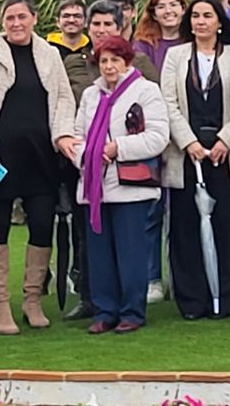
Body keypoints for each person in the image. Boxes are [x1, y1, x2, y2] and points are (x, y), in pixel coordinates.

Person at [0, 0, 79, 336]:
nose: (15, 23)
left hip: (40, 156)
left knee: (42, 224)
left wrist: (64, 136)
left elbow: (62, 101)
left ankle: (32, 300)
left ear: (34, 19)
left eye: (21, 17)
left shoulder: (49, 54)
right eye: (9, 17)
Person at [72, 36, 170, 334]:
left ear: (127, 61)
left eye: (115, 60)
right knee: (100, 254)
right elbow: (77, 135)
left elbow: (157, 137)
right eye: (104, 61)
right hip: (95, 185)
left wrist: (117, 148)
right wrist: (87, 155)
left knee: (131, 253)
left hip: (130, 185)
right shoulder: (91, 95)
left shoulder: (146, 91)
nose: (109, 66)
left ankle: (132, 312)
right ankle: (105, 311)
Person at [161, 0, 230, 319]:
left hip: (226, 155)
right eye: (196, 16)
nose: (200, 21)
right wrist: (188, 143)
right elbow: (167, 102)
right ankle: (192, 300)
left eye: (207, 16)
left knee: (228, 225)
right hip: (187, 155)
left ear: (219, 21)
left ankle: (225, 299)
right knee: (186, 227)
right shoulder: (175, 56)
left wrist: (226, 139)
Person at [135, 0, 190, 70]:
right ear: (154, 15)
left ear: (183, 9)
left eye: (173, 5)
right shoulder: (143, 44)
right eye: (161, 7)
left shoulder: (193, 40)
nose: (168, 11)